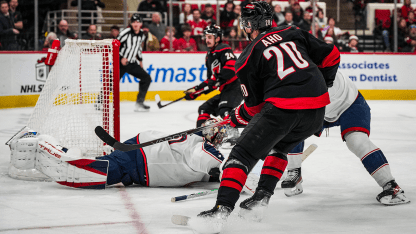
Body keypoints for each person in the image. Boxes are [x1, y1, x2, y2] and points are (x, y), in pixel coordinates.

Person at [196, 2, 340, 229]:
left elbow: (254, 109)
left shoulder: (247, 56)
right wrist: (324, 81)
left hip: (283, 110)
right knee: (280, 147)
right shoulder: (293, 31)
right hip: (316, 111)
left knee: (240, 155)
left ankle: (221, 210)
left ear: (247, 25)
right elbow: (332, 55)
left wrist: (232, 119)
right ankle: (261, 197)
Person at [281, 71, 410, 206]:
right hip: (321, 105)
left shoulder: (314, 74)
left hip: (350, 104)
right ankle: (294, 172)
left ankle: (391, 186)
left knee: (356, 141)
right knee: (292, 127)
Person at [7, 120, 227, 189]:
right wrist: (234, 172)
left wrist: (219, 175)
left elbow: (206, 171)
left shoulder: (194, 142)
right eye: (218, 136)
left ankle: (52, 148)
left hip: (137, 164)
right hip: (138, 160)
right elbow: (210, 161)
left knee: (92, 169)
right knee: (87, 173)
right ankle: (45, 143)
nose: (219, 142)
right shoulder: (203, 147)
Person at [183, 25, 242, 129]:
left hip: (236, 87)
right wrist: (197, 91)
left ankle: (232, 135)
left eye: (210, 37)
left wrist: (218, 79)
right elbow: (211, 81)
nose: (207, 40)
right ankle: (201, 134)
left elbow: (232, 67)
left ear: (217, 38)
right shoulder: (208, 56)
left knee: (225, 109)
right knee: (204, 109)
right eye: (206, 37)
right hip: (225, 90)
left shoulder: (224, 48)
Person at [118, 14, 152, 112]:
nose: (135, 24)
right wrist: (120, 57)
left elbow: (138, 48)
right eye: (133, 22)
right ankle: (100, 102)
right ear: (131, 23)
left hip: (132, 63)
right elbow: (114, 45)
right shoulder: (125, 33)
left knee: (146, 78)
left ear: (141, 23)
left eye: (137, 22)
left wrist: (140, 61)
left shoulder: (141, 34)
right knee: (112, 82)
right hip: (121, 63)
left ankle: (139, 103)